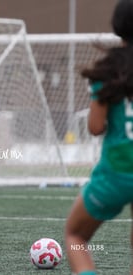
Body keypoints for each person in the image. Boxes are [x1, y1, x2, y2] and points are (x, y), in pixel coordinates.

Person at [64, 0, 133, 274]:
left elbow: (95, 127)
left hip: (116, 172)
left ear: (117, 26)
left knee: (76, 236)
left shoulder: (108, 69)